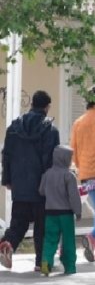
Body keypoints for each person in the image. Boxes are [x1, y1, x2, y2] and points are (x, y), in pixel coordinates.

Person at [0, 90, 60, 272]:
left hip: (19, 185)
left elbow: (6, 155)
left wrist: (7, 179)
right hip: (41, 187)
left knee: (19, 222)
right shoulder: (50, 130)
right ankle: (41, 263)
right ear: (47, 106)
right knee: (42, 226)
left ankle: (7, 244)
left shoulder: (14, 128)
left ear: (32, 104)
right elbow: (51, 160)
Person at [70, 85, 95, 262]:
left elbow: (74, 151)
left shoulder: (79, 122)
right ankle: (92, 237)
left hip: (87, 174)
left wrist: (82, 167)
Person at [38, 144, 82, 276]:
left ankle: (46, 261)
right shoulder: (69, 176)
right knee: (68, 241)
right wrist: (78, 211)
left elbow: (41, 191)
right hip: (66, 214)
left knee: (50, 239)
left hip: (50, 213)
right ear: (65, 159)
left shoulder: (47, 174)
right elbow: (74, 196)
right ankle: (69, 267)